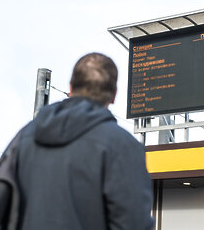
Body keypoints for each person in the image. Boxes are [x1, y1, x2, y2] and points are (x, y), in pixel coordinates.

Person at [16, 52, 154, 230]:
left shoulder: (26, 136)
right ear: (113, 95)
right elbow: (135, 224)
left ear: (71, 89)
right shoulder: (123, 147)